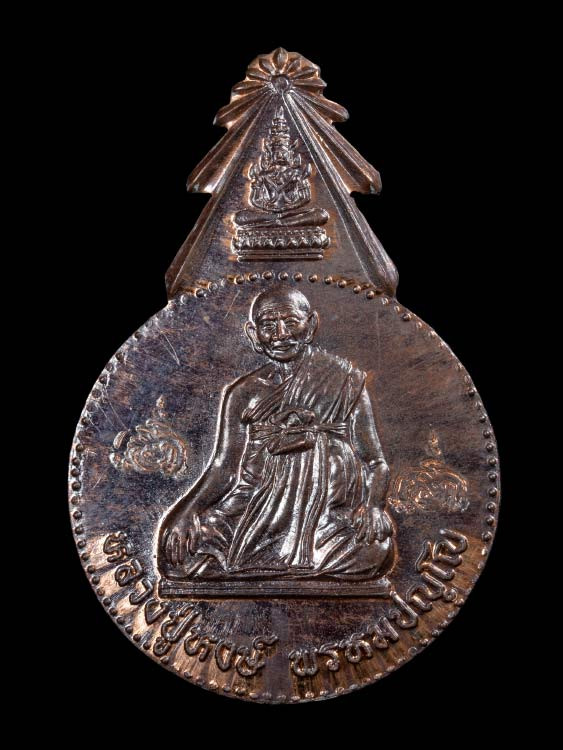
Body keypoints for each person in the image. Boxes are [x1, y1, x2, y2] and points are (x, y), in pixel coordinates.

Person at [158, 286, 395, 584]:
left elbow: (375, 462)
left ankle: (255, 569)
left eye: (291, 322)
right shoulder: (244, 392)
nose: (281, 334)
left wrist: (373, 507)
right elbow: (224, 468)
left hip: (326, 517)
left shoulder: (345, 381)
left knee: (376, 550)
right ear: (254, 334)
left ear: (311, 325)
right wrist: (187, 512)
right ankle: (277, 566)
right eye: (269, 325)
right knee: (176, 554)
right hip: (251, 508)